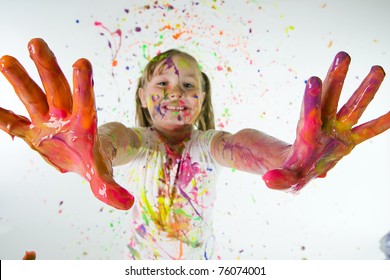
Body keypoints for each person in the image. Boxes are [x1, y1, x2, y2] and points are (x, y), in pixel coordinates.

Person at [0, 38, 389, 259]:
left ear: (202, 100)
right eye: (163, 85)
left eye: (188, 85)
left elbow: (239, 145)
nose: (175, 93)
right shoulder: (139, 140)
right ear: (142, 95)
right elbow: (115, 140)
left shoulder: (207, 145)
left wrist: (290, 160)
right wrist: (93, 156)